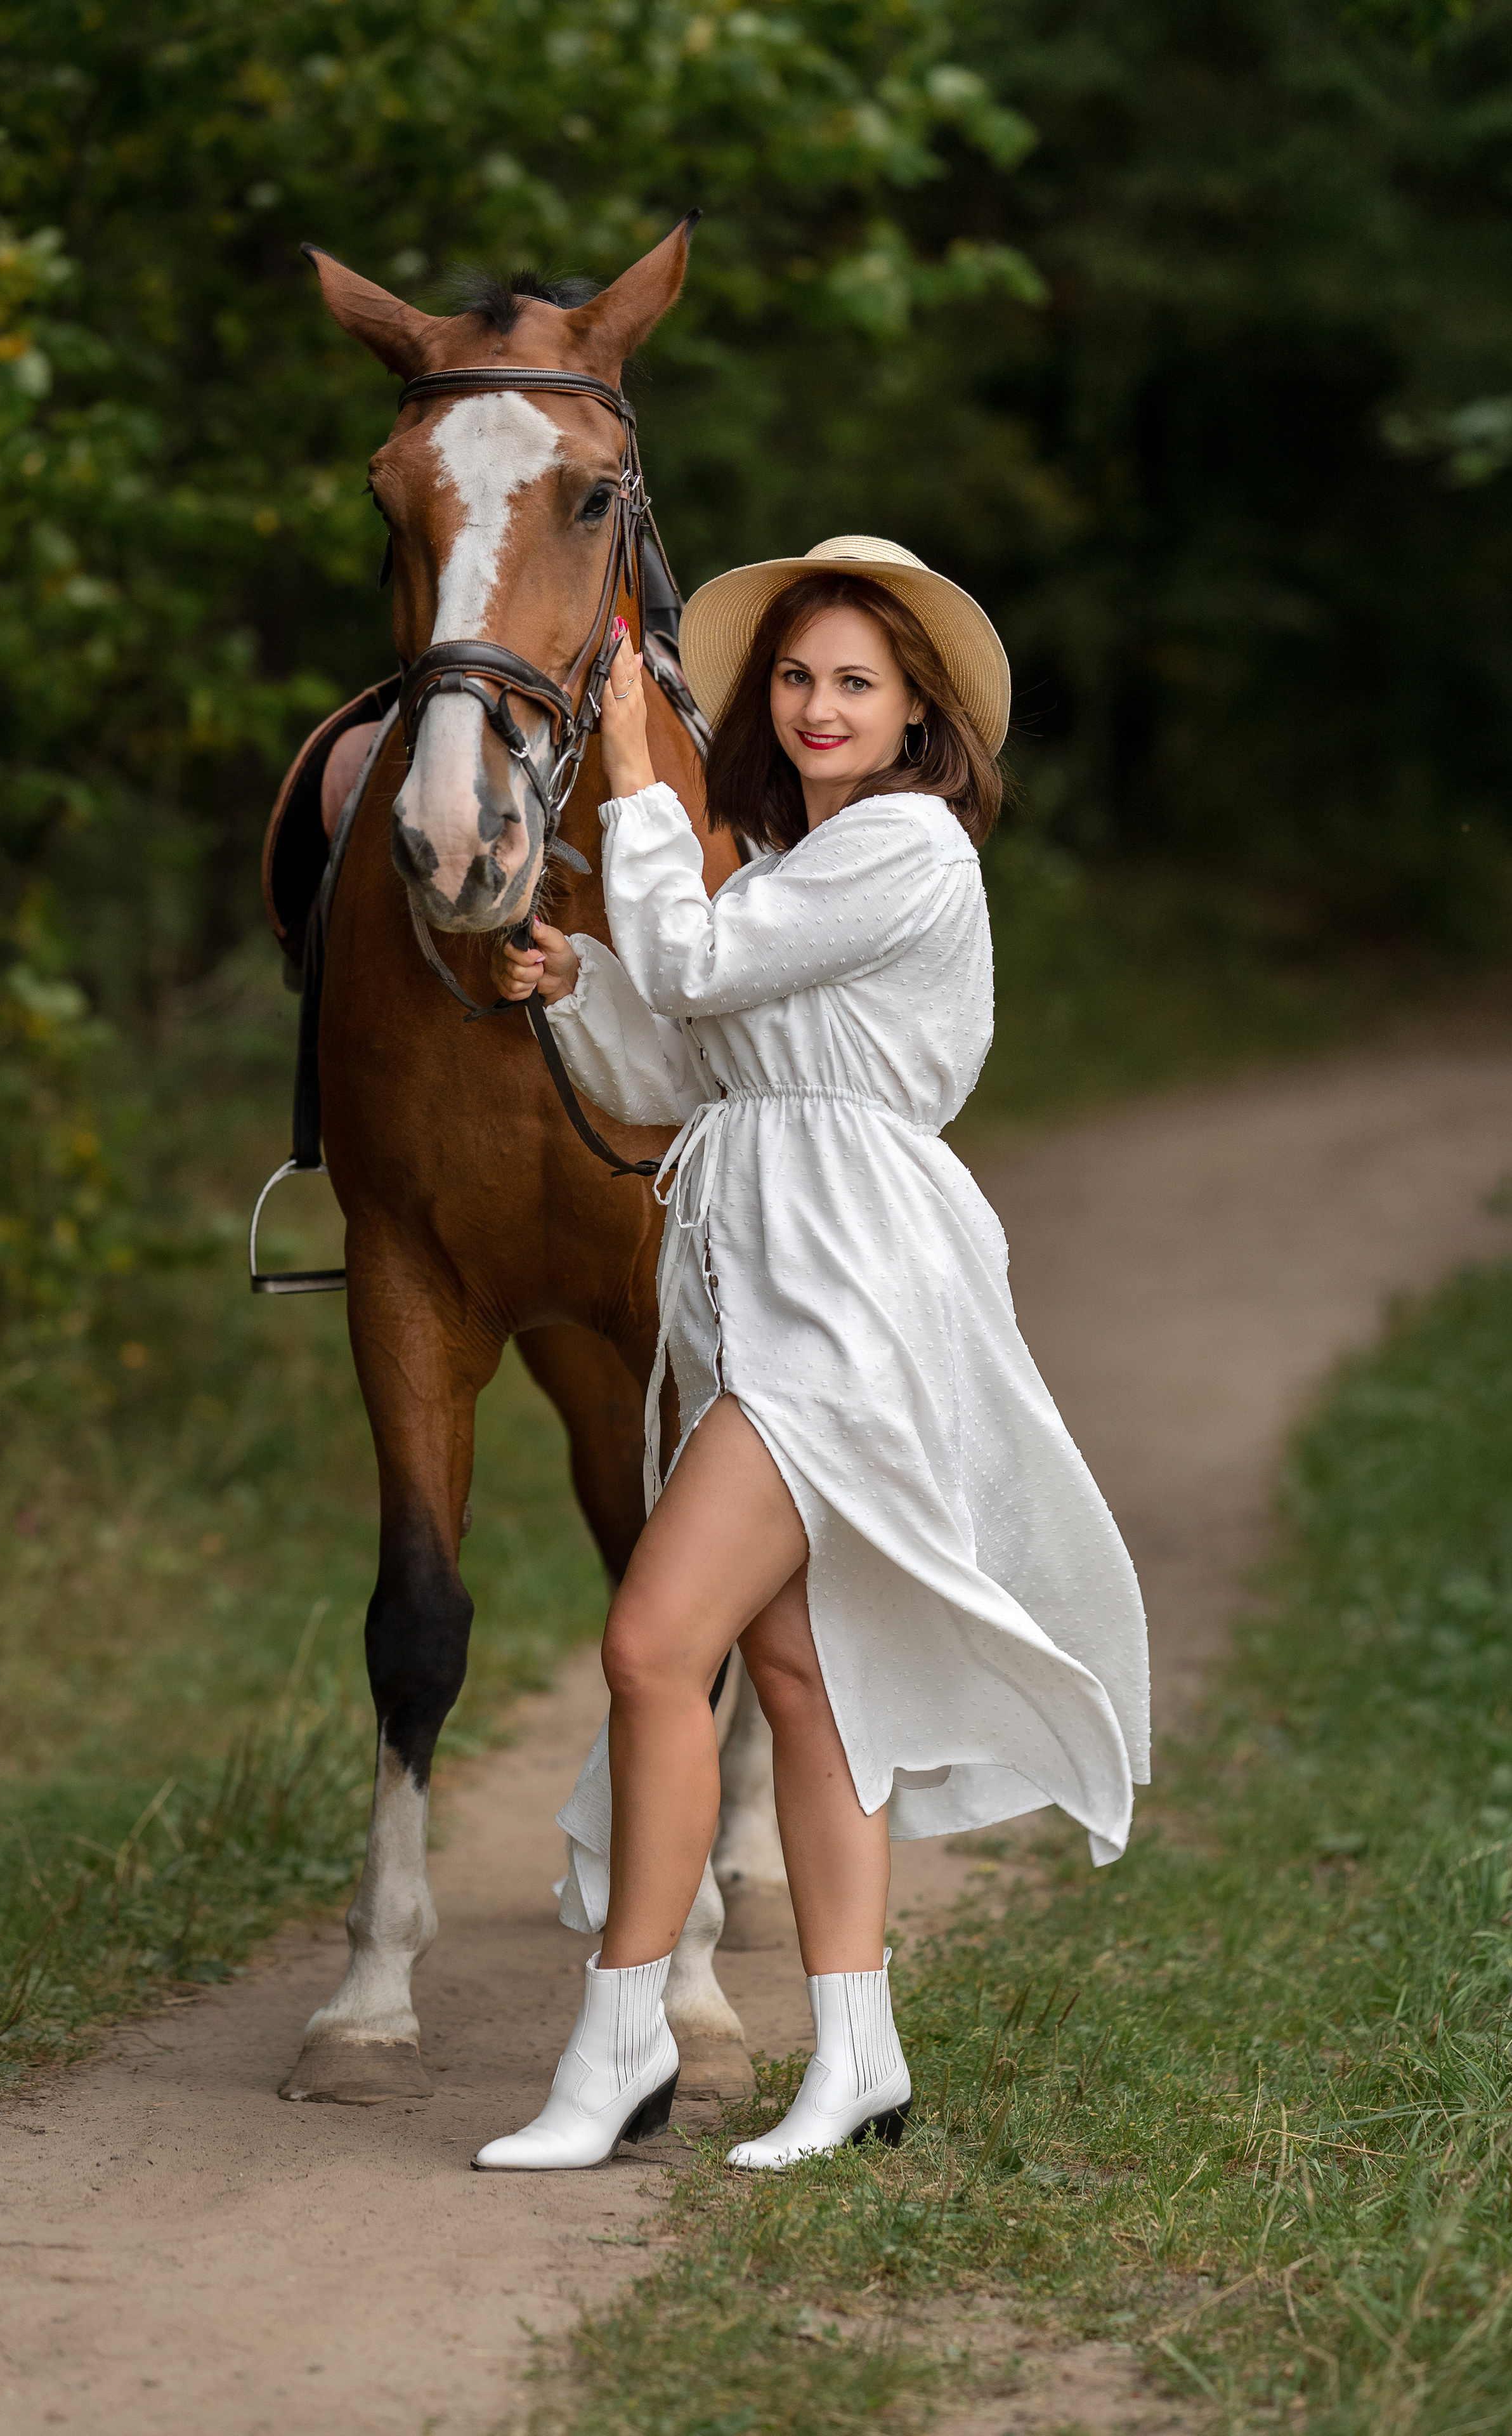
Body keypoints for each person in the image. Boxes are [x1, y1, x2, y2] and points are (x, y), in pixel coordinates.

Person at [472, 536, 1149, 2175]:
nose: (819, 704)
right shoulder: (788, 861)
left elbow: (707, 971)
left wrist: (633, 778)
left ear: (919, 712)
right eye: (794, 677)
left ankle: (618, 2042)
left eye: (856, 679)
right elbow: (701, 1045)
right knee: (802, 1675)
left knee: (652, 1644)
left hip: (855, 1286)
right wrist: (585, 979)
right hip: (769, 1277)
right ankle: (860, 2060)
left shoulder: (909, 845)